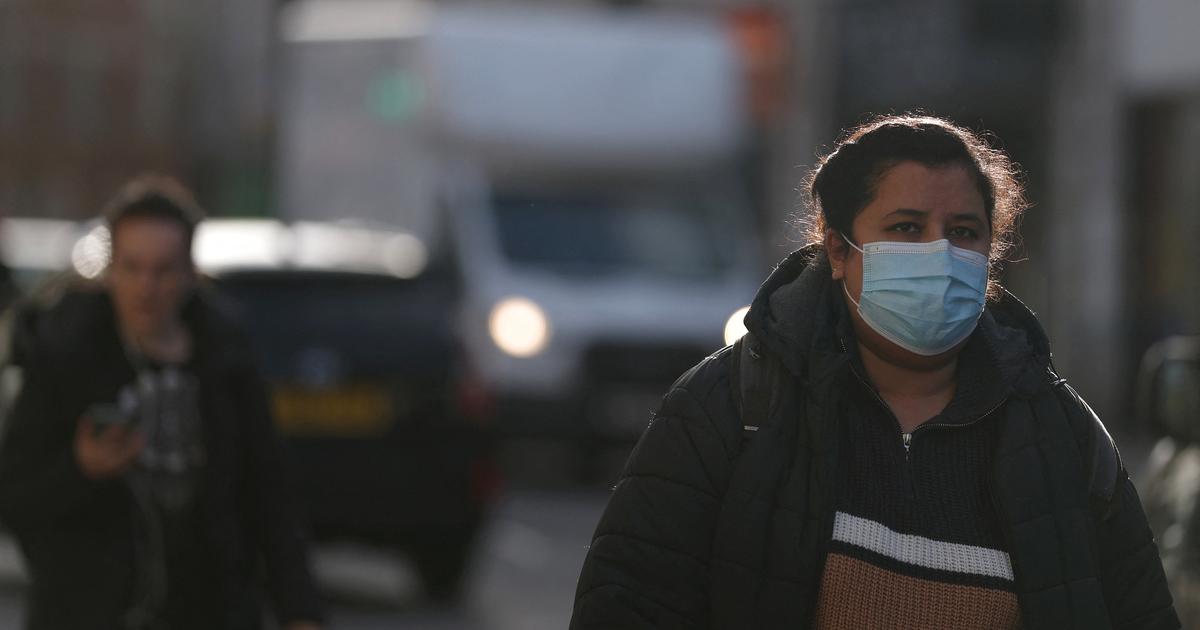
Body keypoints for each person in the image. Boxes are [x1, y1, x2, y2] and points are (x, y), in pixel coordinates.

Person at [570, 114, 1179, 629]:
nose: (939, 253)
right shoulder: (730, 407)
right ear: (838, 250)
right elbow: (627, 603)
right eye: (906, 228)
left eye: (963, 232)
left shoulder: (1063, 438)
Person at [0, 176, 325, 630]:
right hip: (90, 610)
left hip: (208, 608)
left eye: (163, 269)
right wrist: (80, 469)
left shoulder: (224, 357)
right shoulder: (66, 355)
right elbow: (15, 495)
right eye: (132, 268)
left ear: (190, 271)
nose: (146, 287)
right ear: (111, 269)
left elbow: (269, 491)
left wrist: (300, 609)